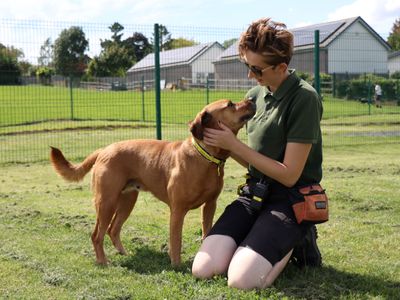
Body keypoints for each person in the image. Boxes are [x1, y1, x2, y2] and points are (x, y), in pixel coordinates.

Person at [191, 17, 324, 290]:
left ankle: (299, 236)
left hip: (290, 199)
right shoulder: (256, 95)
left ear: (282, 67)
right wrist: (223, 145)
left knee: (241, 281)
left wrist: (235, 145)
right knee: (203, 269)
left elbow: (289, 176)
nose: (251, 76)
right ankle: (257, 241)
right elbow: (253, 160)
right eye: (247, 66)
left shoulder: (304, 99)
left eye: (257, 69)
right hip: (255, 193)